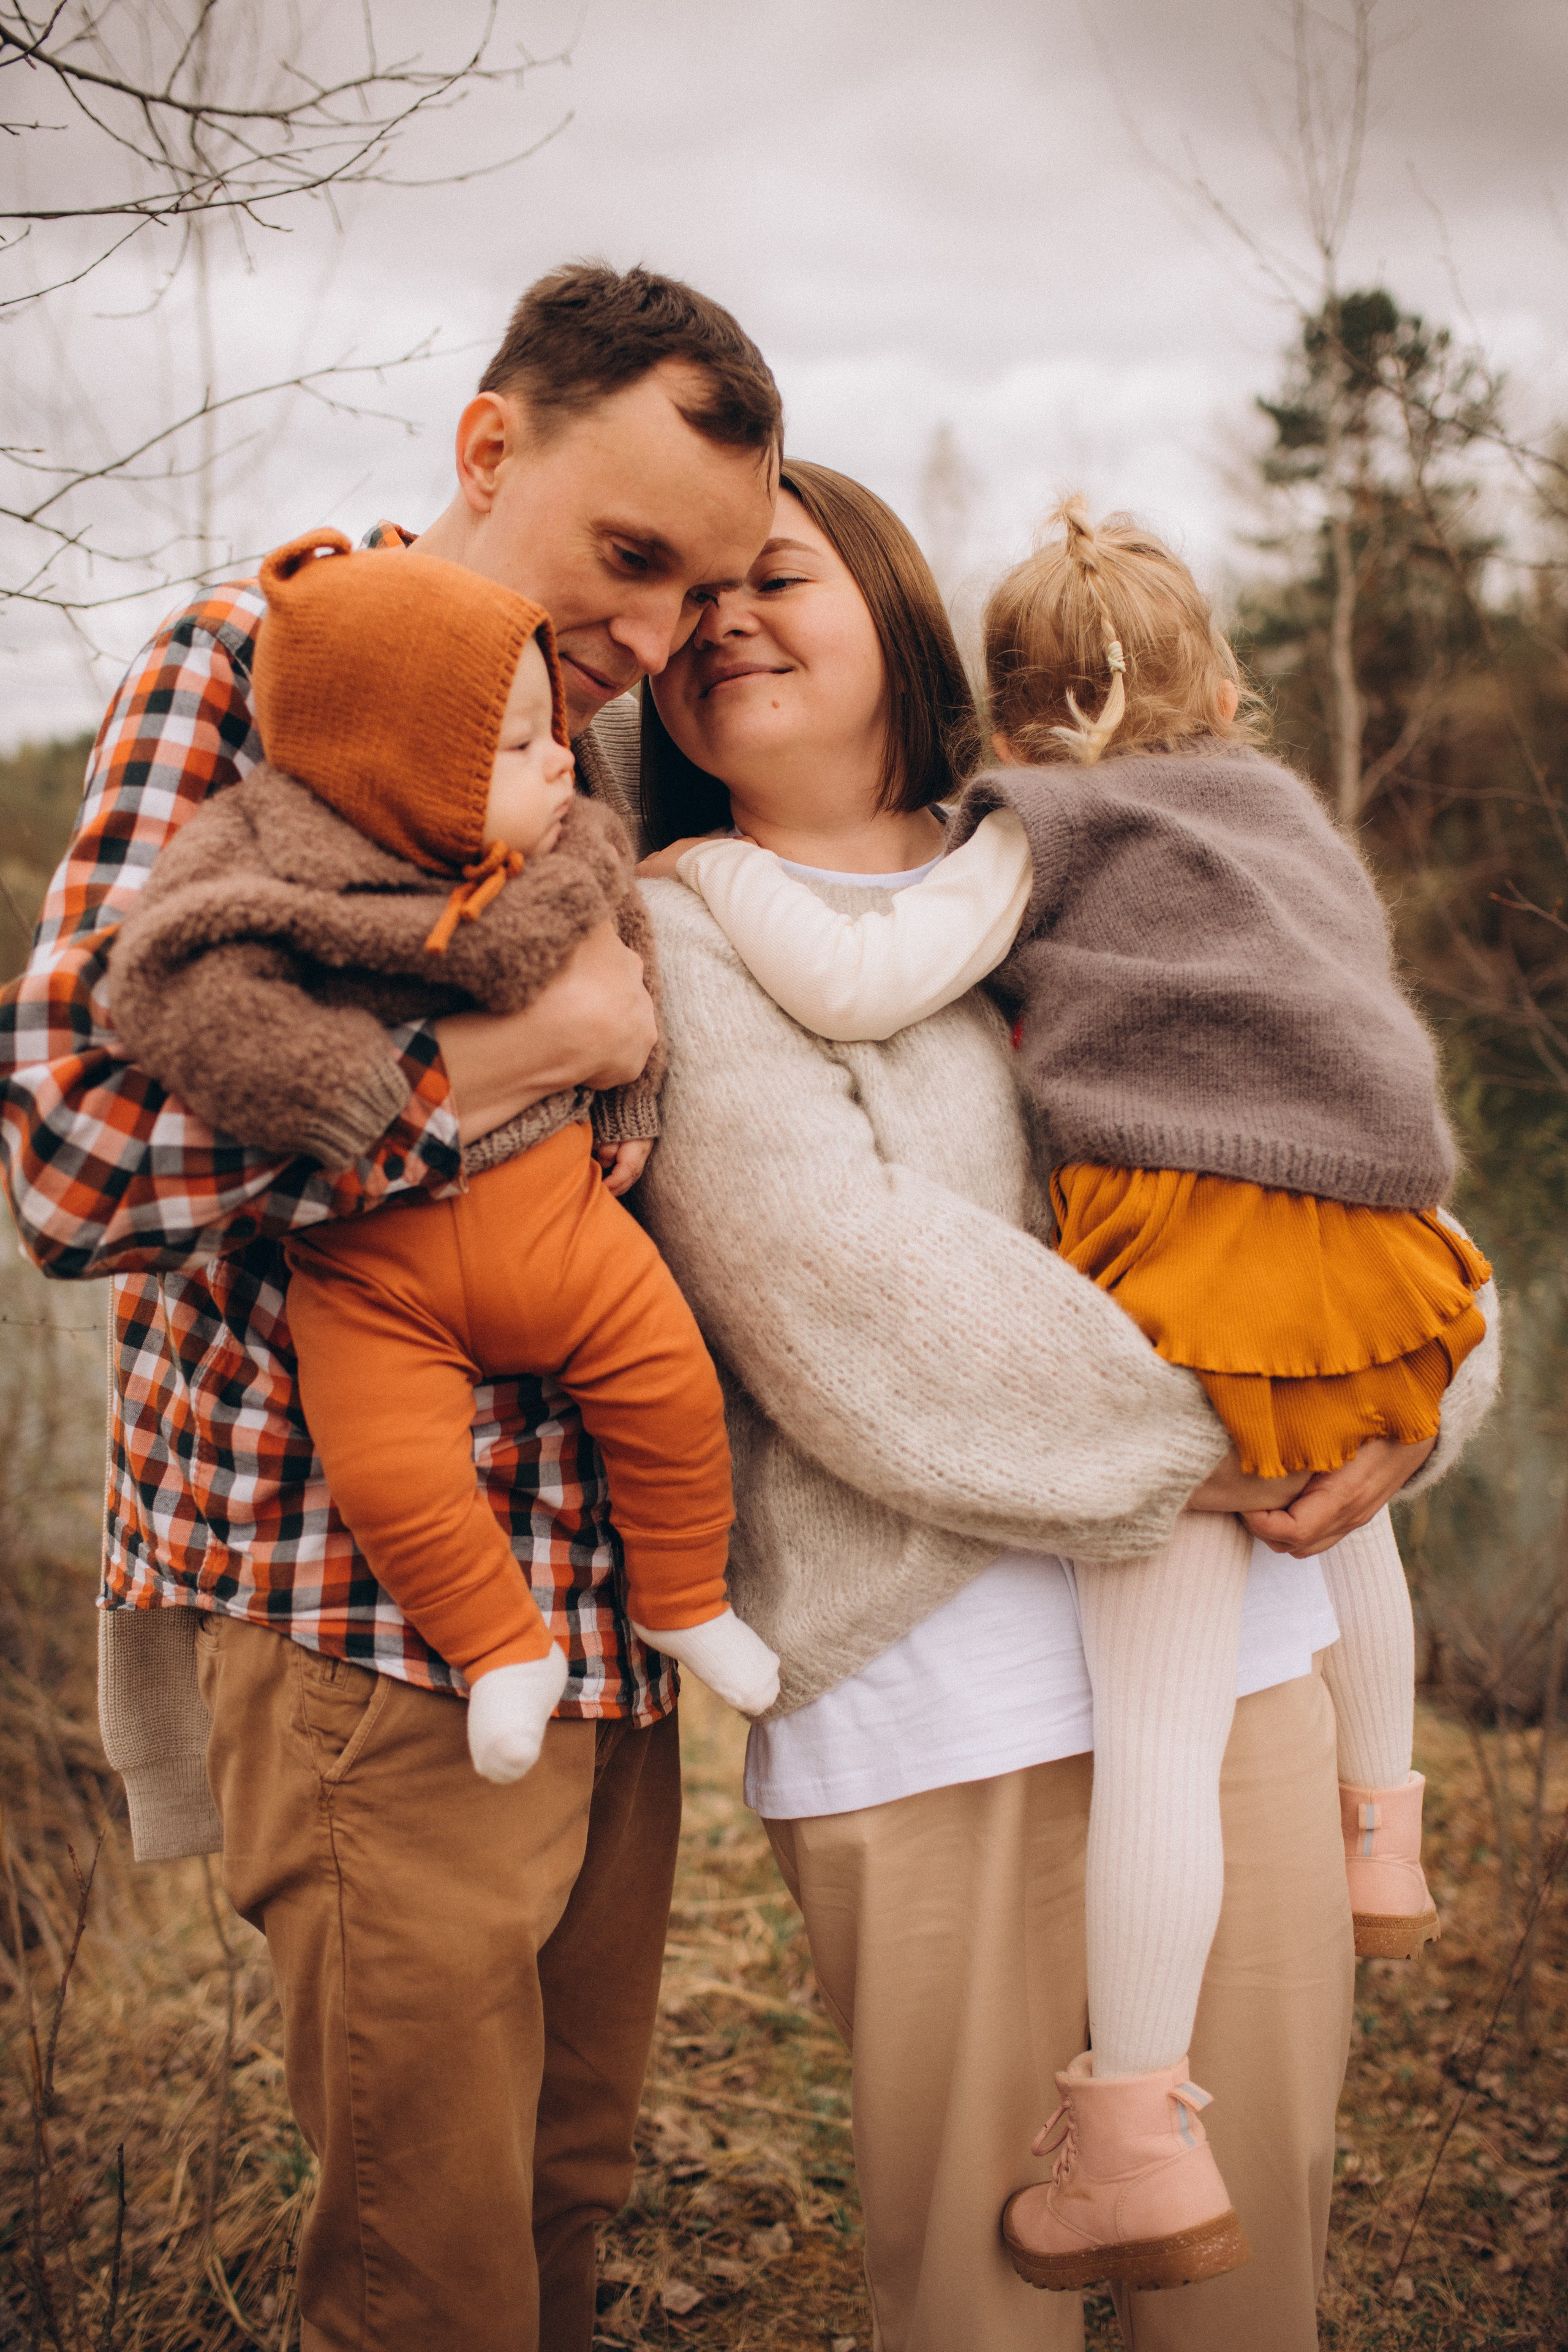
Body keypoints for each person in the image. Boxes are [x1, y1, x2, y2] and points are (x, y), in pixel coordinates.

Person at [632, 459, 1498, 2351]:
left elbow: (1363, 1181)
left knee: (1248, 2263)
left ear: (893, 608)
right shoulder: (690, 926)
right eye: (682, 606)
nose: (725, 624)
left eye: (769, 575)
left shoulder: (1107, 847)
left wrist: (1418, 1409)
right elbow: (846, 1303)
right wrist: (1268, 1427)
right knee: (978, 2289)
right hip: (938, 1704)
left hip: (1245, 1671)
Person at [0, 263, 782, 2352]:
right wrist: (477, 1085)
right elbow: (71, 1158)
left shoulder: (601, 772)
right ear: (489, 445)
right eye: (630, 557)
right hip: (359, 1620)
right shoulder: (255, 664)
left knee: (564, 2196)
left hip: (601, 1628)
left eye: (698, 592)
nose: (648, 637)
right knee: (424, 2271)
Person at [107, 527, 780, 1781]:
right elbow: (179, 990)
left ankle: (681, 1592)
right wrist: (358, 1092)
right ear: (403, 769)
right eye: (519, 746)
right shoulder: (290, 866)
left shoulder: (566, 841)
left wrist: (630, 1100)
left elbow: (623, 940)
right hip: (372, 1272)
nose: (559, 764)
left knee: (668, 1385)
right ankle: (496, 1653)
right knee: (390, 1466)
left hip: (560, 1230)